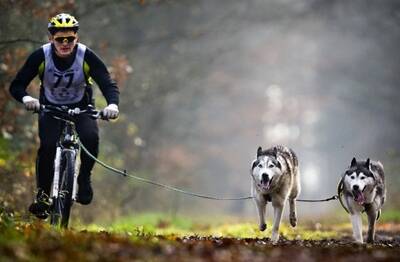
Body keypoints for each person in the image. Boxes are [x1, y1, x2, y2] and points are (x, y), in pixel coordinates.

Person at [9, 13, 120, 219]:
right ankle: (43, 196)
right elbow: (16, 85)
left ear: (76, 38)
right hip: (51, 109)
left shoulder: (86, 56)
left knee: (91, 138)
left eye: (70, 39)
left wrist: (112, 104)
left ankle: (84, 178)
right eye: (60, 39)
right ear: (51, 39)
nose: (65, 43)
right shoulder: (40, 56)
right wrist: (26, 99)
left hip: (82, 108)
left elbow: (107, 82)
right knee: (48, 146)